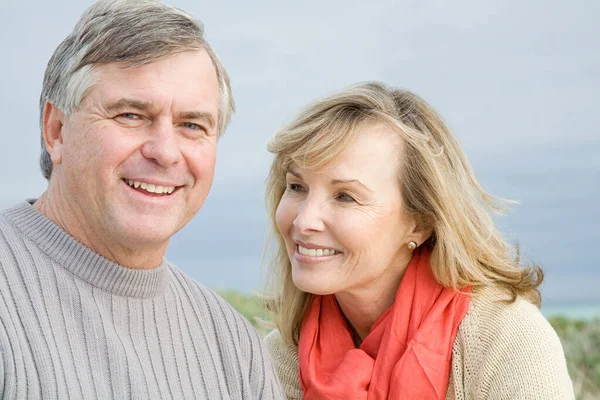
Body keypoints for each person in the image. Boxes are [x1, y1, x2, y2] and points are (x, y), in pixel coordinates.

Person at [0, 0, 283, 398]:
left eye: (191, 124)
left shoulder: (233, 345)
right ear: (57, 130)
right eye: (131, 115)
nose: (165, 152)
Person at [263, 82, 574, 399]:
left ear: (420, 223)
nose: (304, 220)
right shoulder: (280, 357)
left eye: (345, 196)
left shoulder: (504, 341)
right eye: (297, 187)